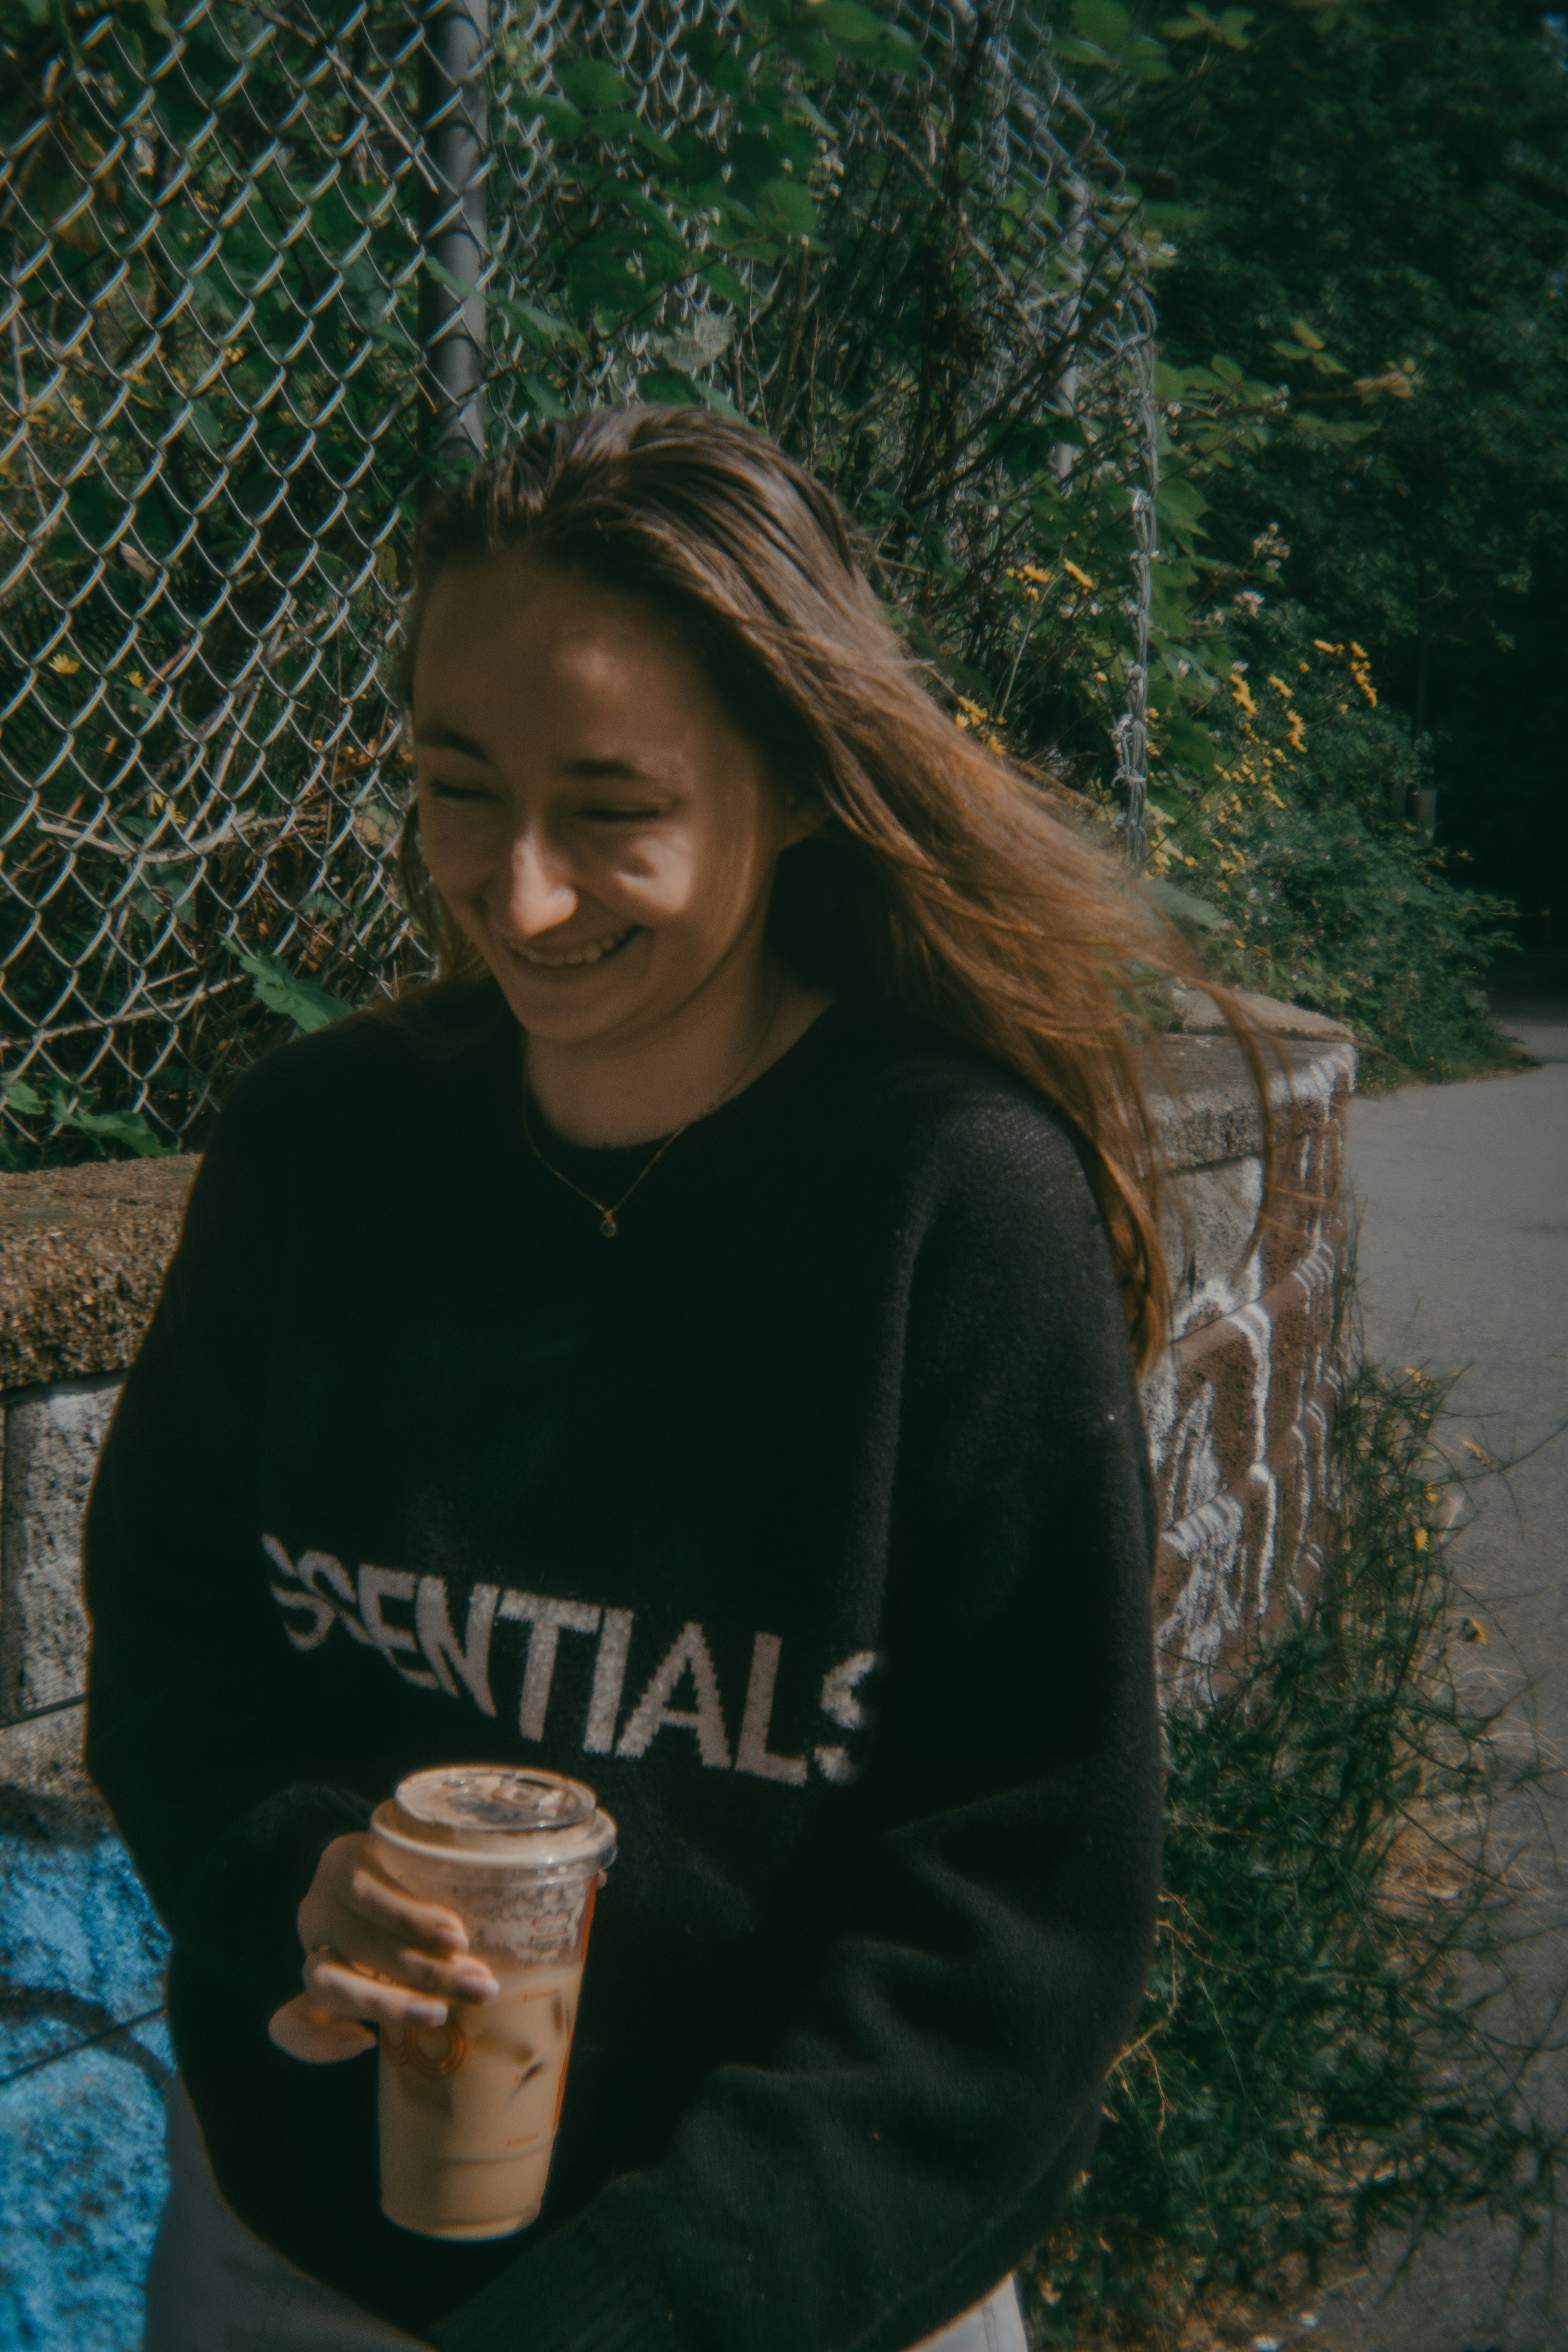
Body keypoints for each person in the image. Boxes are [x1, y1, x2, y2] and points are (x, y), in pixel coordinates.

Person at [85, 405, 1188, 2352]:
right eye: (455, 783)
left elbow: (1012, 1905)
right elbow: (178, 1658)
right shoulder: (313, 1154)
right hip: (286, 2271)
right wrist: (302, 1878)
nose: (515, 899)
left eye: (611, 808)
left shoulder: (947, 1206)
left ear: (799, 782)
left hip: (789, 2305)